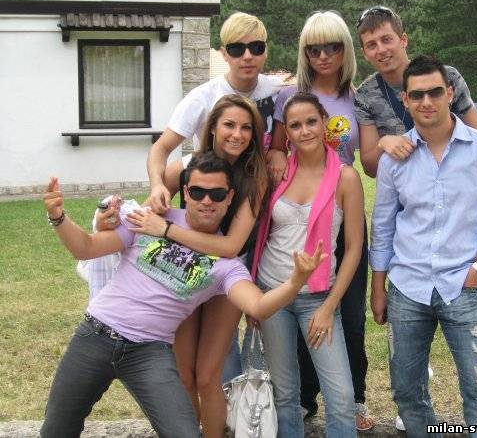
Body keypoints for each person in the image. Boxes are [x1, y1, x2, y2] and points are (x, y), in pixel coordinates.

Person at [40, 152, 326, 438]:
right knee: (56, 430)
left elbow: (259, 306)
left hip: (148, 353)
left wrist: (295, 282)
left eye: (217, 194)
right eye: (198, 192)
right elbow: (86, 248)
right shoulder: (150, 219)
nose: (207, 201)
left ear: (229, 198)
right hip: (95, 335)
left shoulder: (226, 264)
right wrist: (58, 217)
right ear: (186, 193)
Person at [369, 55, 477, 437]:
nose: (427, 102)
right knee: (407, 391)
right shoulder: (394, 160)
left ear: (450, 93)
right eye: (417, 95)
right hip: (408, 286)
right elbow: (383, 226)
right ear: (405, 100)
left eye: (435, 92)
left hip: (464, 284)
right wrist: (378, 287)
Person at [113, 95, 269, 438]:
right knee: (183, 373)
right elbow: (152, 206)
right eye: (229, 125)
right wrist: (157, 189)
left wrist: (168, 230)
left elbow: (230, 247)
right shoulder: (187, 165)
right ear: (212, 127)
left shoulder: (254, 177)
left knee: (208, 375)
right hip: (182, 274)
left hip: (224, 279)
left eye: (246, 128)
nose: (237, 134)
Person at [268, 11, 374, 430]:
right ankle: (304, 400)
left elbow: (369, 153)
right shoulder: (288, 96)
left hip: (340, 204)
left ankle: (354, 397)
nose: (324, 55)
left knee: (348, 314)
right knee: (296, 309)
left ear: (346, 50)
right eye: (314, 49)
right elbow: (276, 149)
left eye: (333, 46)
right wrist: (276, 154)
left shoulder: (357, 98)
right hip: (299, 207)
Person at [251, 92, 364, 437]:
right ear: (287, 131)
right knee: (285, 394)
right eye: (295, 125)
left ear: (324, 123)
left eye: (311, 122)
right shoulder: (278, 171)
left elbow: (354, 248)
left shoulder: (345, 177)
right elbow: (259, 232)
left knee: (341, 397)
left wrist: (330, 307)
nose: (305, 131)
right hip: (273, 294)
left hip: (318, 298)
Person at [146, 11, 281, 215]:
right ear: (224, 54)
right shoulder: (201, 98)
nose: (247, 56)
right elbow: (161, 147)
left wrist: (279, 152)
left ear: (265, 51)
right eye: (237, 49)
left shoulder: (277, 91)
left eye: (256, 47)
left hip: (257, 195)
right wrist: (157, 185)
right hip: (210, 198)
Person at [354, 5, 477, 178]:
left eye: (386, 39)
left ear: (403, 40)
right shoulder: (365, 96)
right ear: (364, 53)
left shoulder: (447, 78)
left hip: (458, 180)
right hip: (405, 189)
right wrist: (383, 144)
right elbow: (370, 169)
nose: (381, 50)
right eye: (372, 45)